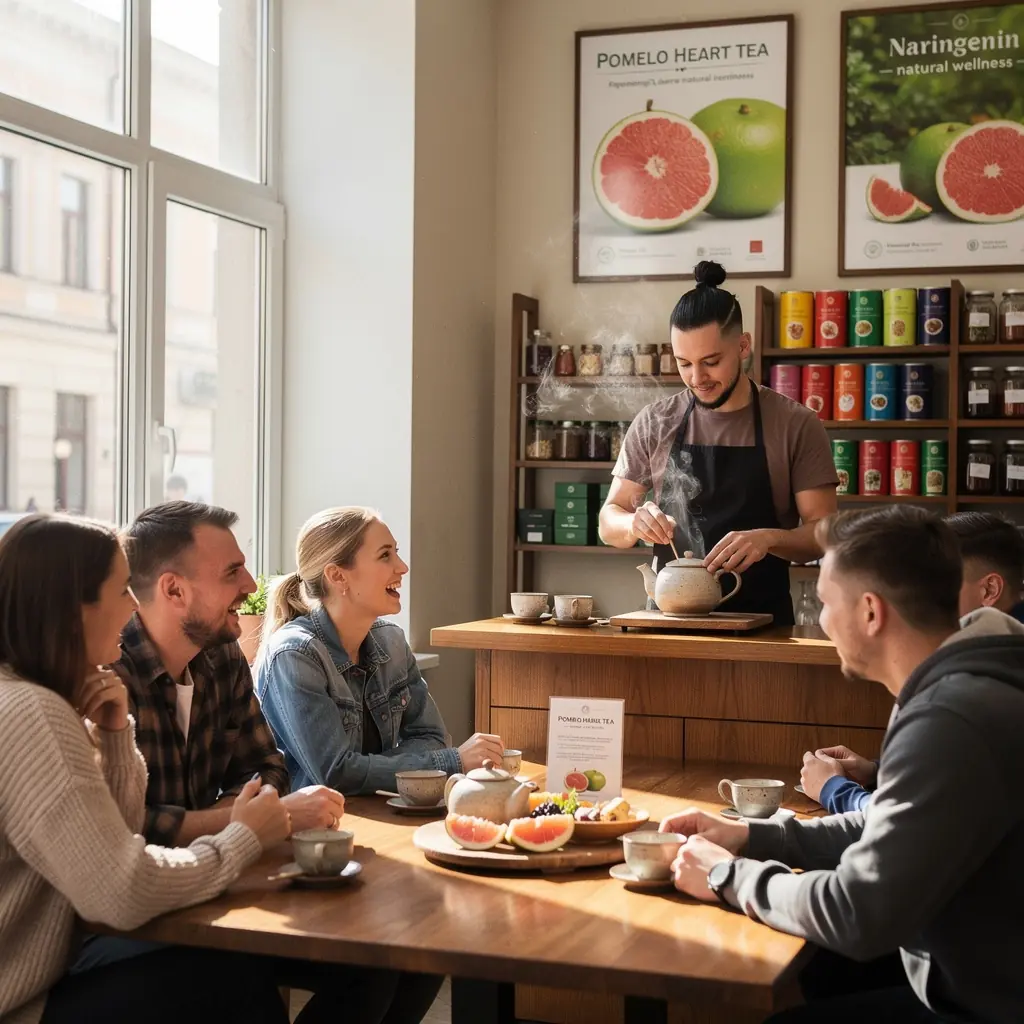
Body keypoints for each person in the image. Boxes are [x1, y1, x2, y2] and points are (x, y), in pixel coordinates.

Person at [662, 506, 1024, 1023]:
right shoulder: (956, 681)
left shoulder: (950, 716)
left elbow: (858, 913)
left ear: (871, 612)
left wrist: (726, 875)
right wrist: (752, 837)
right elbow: (886, 822)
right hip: (972, 972)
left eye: (827, 602)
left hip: (984, 1004)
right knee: (816, 973)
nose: (823, 620)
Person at [98, 501, 425, 1024]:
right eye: (232, 572)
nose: (252, 585)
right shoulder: (105, 675)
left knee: (400, 951)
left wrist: (244, 818)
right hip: (138, 915)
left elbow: (266, 769)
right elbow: (119, 828)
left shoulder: (221, 655)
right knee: (236, 981)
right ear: (173, 589)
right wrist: (238, 821)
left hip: (220, 876)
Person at [0, 513, 293, 1024]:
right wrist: (240, 837)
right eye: (120, 593)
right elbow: (122, 890)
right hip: (23, 1002)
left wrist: (115, 736)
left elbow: (117, 836)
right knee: (228, 977)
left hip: (56, 968)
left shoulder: (42, 699)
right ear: (74, 611)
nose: (134, 607)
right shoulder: (32, 714)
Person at [598, 261, 838, 624]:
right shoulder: (656, 422)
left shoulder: (794, 423)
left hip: (764, 628)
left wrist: (770, 539)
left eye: (711, 362)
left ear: (744, 346)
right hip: (670, 626)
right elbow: (608, 520)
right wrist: (633, 524)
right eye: (684, 364)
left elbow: (825, 532)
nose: (697, 378)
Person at [257, 506, 506, 796]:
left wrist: (364, 769)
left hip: (371, 811)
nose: (402, 567)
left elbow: (434, 738)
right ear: (338, 576)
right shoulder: (295, 655)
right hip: (308, 832)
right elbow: (334, 774)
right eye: (385, 555)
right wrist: (451, 762)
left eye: (395, 552)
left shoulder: (392, 641)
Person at [802, 509, 1024, 813]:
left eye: (945, 582)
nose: (929, 596)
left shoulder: (952, 707)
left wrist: (835, 790)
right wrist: (883, 772)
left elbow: (897, 838)